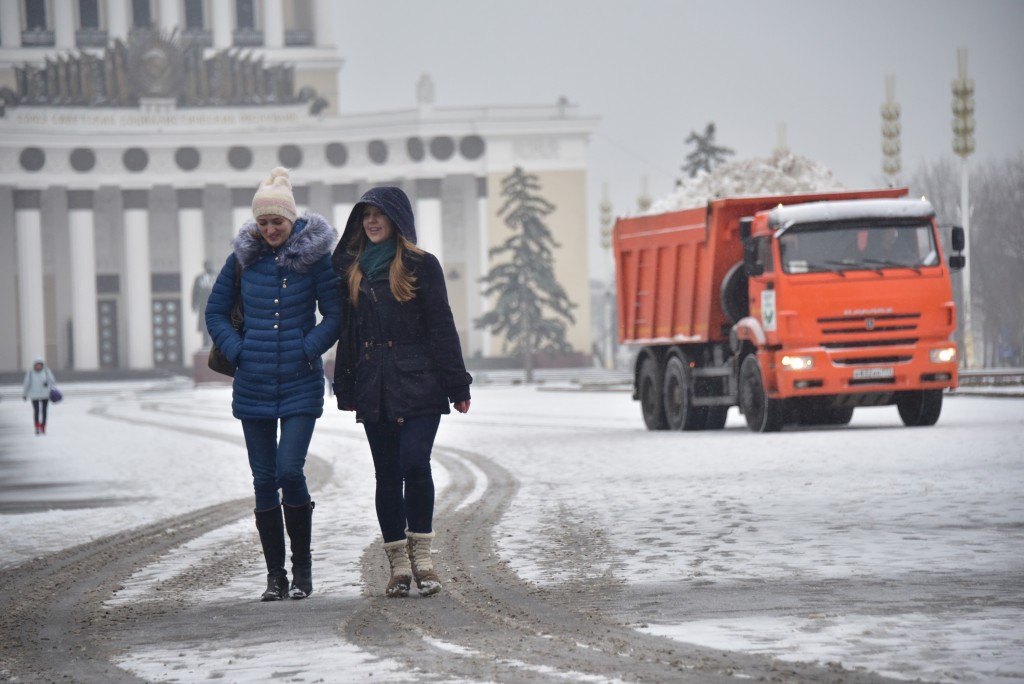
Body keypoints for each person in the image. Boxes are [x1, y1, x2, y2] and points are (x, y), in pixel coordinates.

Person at [205, 167, 341, 602]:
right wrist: (239, 350)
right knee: (264, 479)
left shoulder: (316, 259)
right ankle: (275, 576)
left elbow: (336, 314)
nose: (269, 230)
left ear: (291, 218)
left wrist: (308, 347)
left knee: (289, 470)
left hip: (300, 382)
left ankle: (302, 569)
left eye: (276, 222)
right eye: (262, 223)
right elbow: (215, 313)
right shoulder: (243, 260)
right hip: (254, 384)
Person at [332, 186, 472, 598]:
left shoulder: (421, 265)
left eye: (380, 214)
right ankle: (398, 568)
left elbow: (441, 324)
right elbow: (349, 334)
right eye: (366, 215)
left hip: (419, 381)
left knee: (414, 461)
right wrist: (345, 384)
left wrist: (456, 382)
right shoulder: (353, 271)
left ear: (397, 220)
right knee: (387, 475)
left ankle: (424, 561)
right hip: (374, 385)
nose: (372, 221)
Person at [22, 357, 57, 435]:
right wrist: (25, 394)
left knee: (44, 411)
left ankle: (43, 426)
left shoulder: (46, 371)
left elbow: (52, 380)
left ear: (42, 365)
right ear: (34, 365)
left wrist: (47, 383)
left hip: (45, 394)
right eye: (37, 365)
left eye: (40, 365)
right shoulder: (30, 372)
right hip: (34, 395)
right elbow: (26, 384)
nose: (38, 366)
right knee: (36, 411)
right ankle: (37, 427)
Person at [192, 260, 217, 347]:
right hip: (203, 305)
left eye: (211, 265)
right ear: (204, 267)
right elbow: (195, 292)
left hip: (215, 304)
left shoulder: (218, 277)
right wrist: (194, 304)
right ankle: (205, 342)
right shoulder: (199, 278)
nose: (209, 267)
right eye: (207, 265)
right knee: (204, 324)